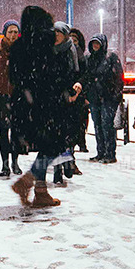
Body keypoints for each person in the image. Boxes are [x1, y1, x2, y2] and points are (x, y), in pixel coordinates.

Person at [9, 6, 79, 208]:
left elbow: (14, 77)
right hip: (47, 103)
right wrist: (67, 89)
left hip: (24, 103)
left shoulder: (18, 46)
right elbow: (56, 74)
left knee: (45, 144)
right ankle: (28, 181)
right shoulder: (46, 43)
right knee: (54, 144)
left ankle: (40, 191)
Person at [81, 33, 124, 163]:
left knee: (107, 125)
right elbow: (87, 77)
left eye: (98, 43)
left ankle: (110, 153)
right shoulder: (89, 58)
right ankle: (100, 152)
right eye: (94, 43)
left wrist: (116, 94)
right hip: (94, 98)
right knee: (98, 125)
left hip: (108, 98)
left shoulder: (110, 58)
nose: (95, 46)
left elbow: (118, 77)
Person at [0, 20, 22, 177]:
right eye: (10, 31)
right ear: (5, 33)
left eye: (16, 32)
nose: (13, 35)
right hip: (0, 97)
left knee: (16, 132)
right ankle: (5, 164)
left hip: (18, 98)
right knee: (3, 131)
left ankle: (15, 162)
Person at [51, 22, 80, 186]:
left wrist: (75, 89)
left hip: (67, 97)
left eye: (58, 32)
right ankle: (57, 172)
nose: (55, 35)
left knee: (66, 135)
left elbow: (77, 72)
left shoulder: (71, 49)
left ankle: (67, 161)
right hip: (51, 98)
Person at [69, 28, 90, 153]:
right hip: (69, 92)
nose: (72, 41)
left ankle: (81, 141)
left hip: (80, 93)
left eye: (75, 39)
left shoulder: (82, 56)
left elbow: (86, 75)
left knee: (80, 120)